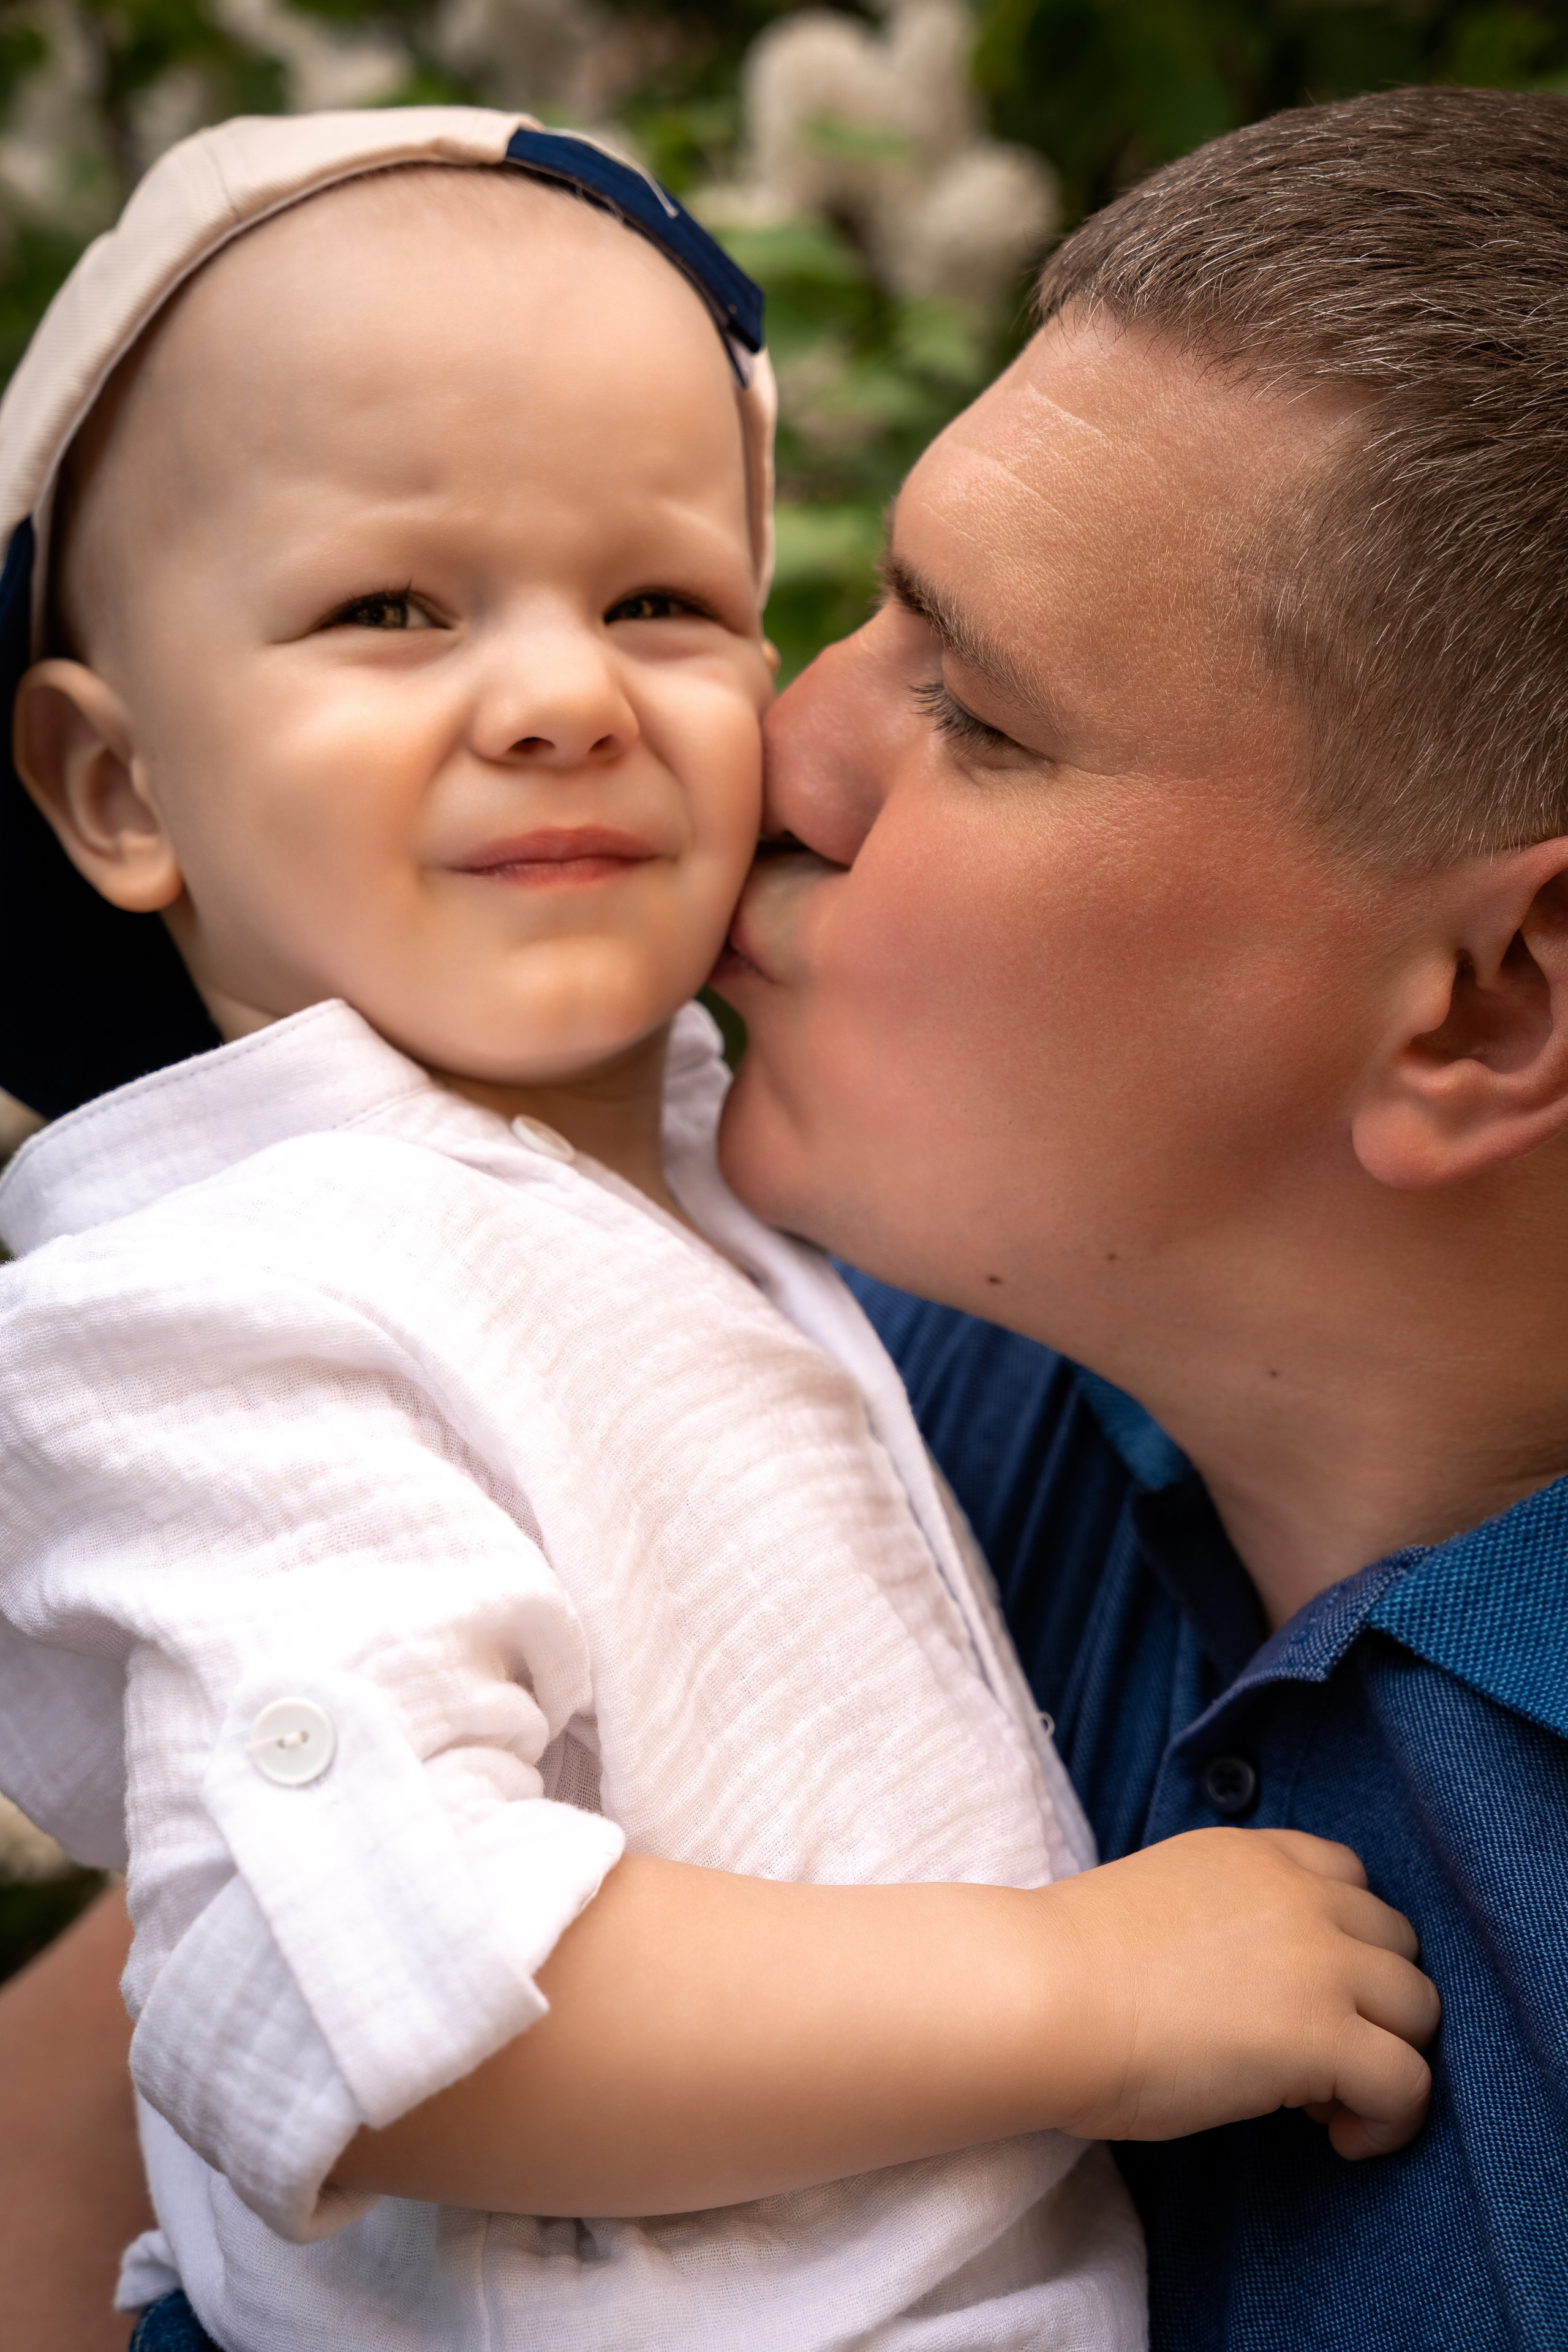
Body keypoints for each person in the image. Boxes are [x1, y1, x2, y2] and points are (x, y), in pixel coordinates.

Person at [12, 78, 1557, 2352]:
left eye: (986, 715)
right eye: (858, 613)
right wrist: (1067, 1988)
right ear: (114, 786)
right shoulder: (726, 1328)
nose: (777, 748)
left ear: (1491, 1002)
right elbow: (244, 2021)